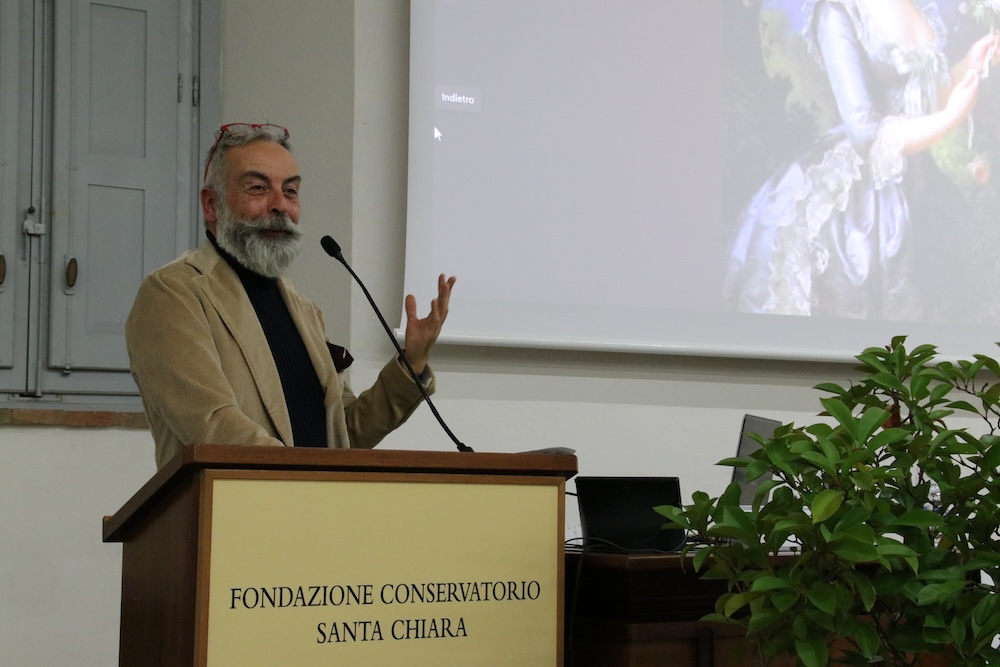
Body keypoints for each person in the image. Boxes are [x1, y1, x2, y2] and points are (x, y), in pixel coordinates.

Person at [126, 123, 456, 469]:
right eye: (257, 188)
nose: (279, 206)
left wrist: (411, 364)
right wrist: (302, 482)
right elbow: (213, 426)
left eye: (290, 191)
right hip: (233, 502)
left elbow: (342, 435)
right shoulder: (173, 294)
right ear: (211, 205)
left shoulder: (303, 309)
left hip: (310, 498)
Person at [723, 0, 1000, 320]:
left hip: (918, 181)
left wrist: (968, 66)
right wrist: (951, 118)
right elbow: (867, 137)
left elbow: (915, 100)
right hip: (864, 205)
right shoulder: (835, 11)